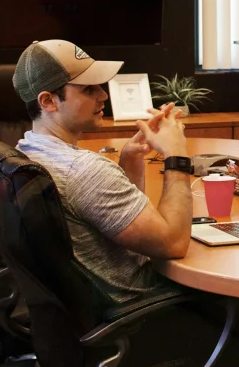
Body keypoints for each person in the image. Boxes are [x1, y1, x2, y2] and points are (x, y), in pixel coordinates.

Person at [12, 39, 194, 304]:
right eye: (88, 89)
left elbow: (112, 218)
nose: (103, 95)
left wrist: (130, 158)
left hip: (82, 307)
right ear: (49, 101)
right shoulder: (84, 170)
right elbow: (173, 244)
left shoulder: (26, 149)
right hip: (142, 305)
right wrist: (176, 156)